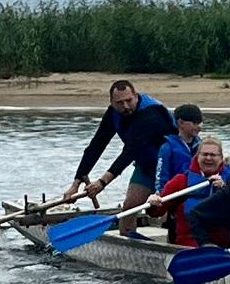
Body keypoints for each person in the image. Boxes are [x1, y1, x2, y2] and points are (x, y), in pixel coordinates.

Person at [63, 79, 177, 236]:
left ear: (136, 96)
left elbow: (131, 151)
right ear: (111, 102)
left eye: (129, 100)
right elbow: (96, 146)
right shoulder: (113, 113)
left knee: (168, 210)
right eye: (120, 103)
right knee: (129, 208)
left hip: (172, 168)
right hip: (146, 167)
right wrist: (76, 183)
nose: (126, 106)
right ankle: (128, 242)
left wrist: (102, 182)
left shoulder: (151, 113)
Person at [146, 138, 228, 247]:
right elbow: (156, 212)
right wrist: (152, 203)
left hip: (224, 246)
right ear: (197, 157)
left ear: (221, 159)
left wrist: (225, 190)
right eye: (204, 154)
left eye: (213, 155)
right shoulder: (181, 181)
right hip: (188, 246)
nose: (208, 158)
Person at [155, 104, 204, 192]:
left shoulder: (202, 146)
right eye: (195, 123)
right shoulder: (167, 148)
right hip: (176, 194)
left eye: (200, 123)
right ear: (181, 123)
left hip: (198, 193)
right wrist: (161, 195)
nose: (200, 127)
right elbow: (161, 178)